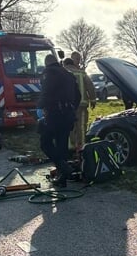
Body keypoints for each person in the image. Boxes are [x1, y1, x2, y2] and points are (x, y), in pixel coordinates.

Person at [38, 53, 80, 186]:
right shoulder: (68, 74)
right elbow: (77, 96)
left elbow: (46, 92)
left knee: (45, 143)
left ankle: (63, 167)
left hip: (55, 114)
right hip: (68, 115)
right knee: (62, 145)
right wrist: (71, 108)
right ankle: (62, 179)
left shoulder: (49, 73)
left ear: (46, 63)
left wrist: (39, 107)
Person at [64, 51, 97, 159]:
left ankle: (70, 147)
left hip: (67, 105)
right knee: (81, 126)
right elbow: (90, 86)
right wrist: (93, 100)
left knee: (69, 126)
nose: (78, 61)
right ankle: (81, 147)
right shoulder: (81, 73)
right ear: (73, 60)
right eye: (77, 59)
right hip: (82, 105)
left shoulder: (63, 72)